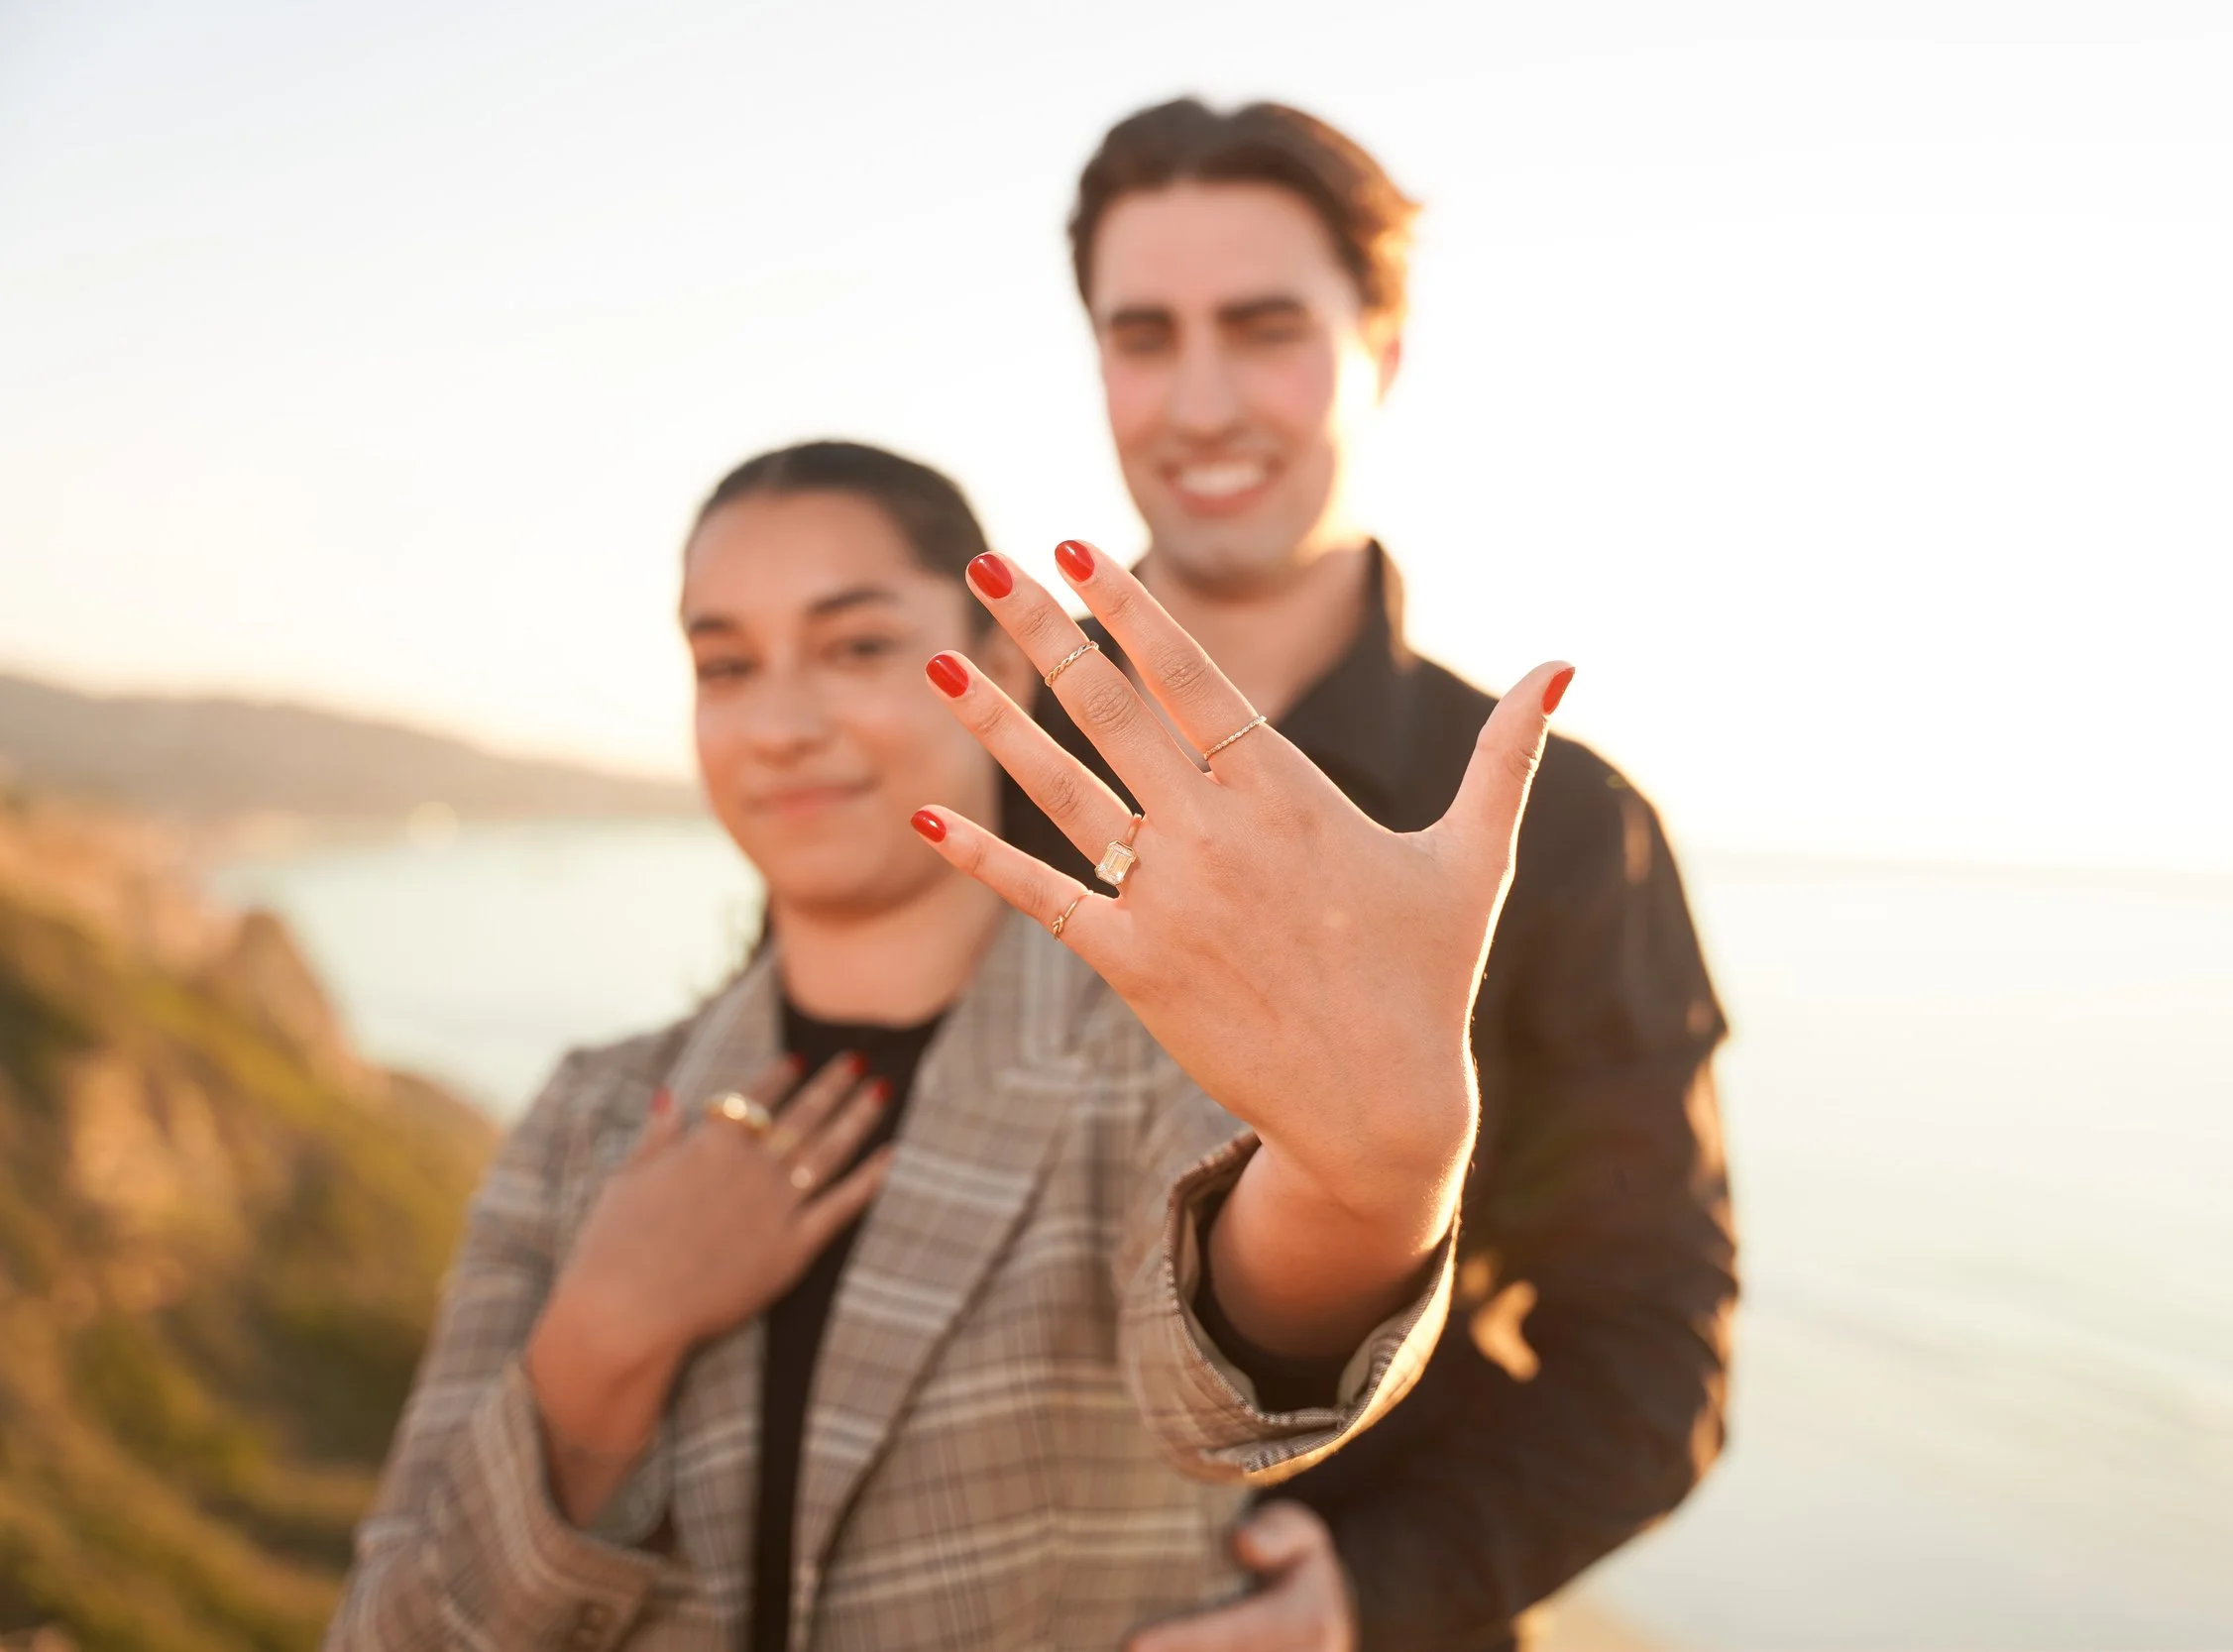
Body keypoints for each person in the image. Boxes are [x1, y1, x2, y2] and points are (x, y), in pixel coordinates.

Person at [323, 441, 1572, 1652]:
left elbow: (1227, 1367)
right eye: (725, 665)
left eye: (857, 645)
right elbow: (393, 1629)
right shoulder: (590, 1114)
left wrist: (1375, 1175)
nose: (780, 725)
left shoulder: (1148, 1051)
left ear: (996, 658)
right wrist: (600, 1337)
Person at [1004, 101, 1737, 1652]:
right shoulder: (992, 773)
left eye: (1266, 329)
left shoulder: (1563, 825)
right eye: (1145, 336)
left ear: (1381, 352)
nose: (1200, 402)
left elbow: (1654, 1351)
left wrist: (1371, 1596)